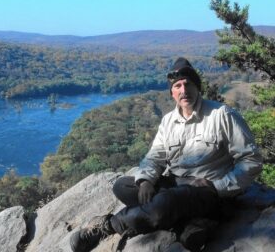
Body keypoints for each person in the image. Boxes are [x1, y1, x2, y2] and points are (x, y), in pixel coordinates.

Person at [70, 57, 263, 252]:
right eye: (177, 86)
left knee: (166, 202)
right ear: (172, 93)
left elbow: (251, 160)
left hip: (208, 190)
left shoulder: (222, 115)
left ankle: (109, 225)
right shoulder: (169, 121)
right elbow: (155, 156)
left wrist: (217, 186)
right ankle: (190, 224)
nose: (183, 90)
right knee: (123, 186)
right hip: (176, 185)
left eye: (188, 84)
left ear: (197, 87)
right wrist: (145, 180)